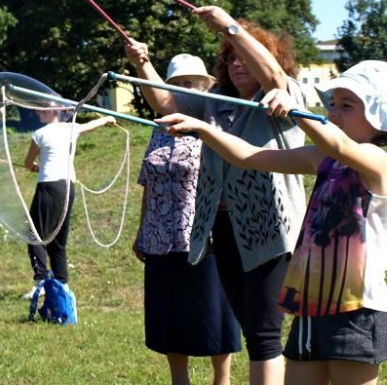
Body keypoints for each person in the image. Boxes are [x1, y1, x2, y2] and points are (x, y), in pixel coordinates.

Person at [159, 59, 387, 385]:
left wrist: (295, 110)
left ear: (380, 119)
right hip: (311, 304)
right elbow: (248, 156)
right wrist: (204, 128)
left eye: (347, 105)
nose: (334, 111)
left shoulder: (378, 162)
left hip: (356, 308)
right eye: (332, 103)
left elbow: (339, 143)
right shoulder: (322, 159)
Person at [125, 6, 307, 385]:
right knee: (250, 326)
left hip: (269, 230)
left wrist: (229, 26)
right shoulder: (215, 100)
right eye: (231, 58)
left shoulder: (284, 98)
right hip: (222, 226)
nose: (238, 63)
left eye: (245, 56)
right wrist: (142, 63)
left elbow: (273, 76)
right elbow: (166, 103)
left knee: (263, 333)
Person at [133, 53, 241, 385]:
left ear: (205, 88)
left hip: (203, 235)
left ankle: (221, 380)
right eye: (175, 85)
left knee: (215, 313)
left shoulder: (213, 126)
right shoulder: (159, 129)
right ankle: (179, 380)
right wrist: (141, 229)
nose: (182, 91)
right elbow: (148, 180)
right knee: (168, 315)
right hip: (159, 238)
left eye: (189, 84)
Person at [21, 107, 116, 298]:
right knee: (58, 239)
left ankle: (41, 282)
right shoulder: (72, 128)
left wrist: (34, 167)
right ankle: (61, 283)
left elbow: (27, 162)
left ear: (52, 112)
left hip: (48, 186)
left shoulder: (40, 134)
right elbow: (92, 125)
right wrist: (107, 118)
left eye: (41, 111)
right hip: (67, 186)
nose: (38, 114)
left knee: (35, 234)